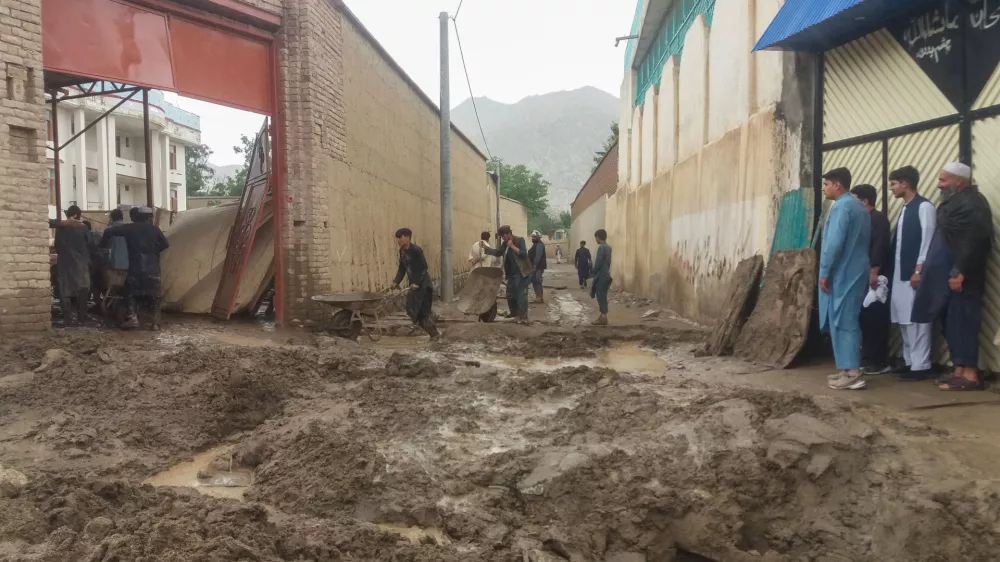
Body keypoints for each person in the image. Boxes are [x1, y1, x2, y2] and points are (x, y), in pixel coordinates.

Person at [912, 162, 994, 391]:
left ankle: (970, 375)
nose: (939, 185)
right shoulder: (955, 203)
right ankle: (959, 370)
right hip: (947, 277)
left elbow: (972, 243)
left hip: (962, 279)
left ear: (960, 182)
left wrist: (960, 272)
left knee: (964, 322)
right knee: (952, 322)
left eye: (943, 180)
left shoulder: (972, 204)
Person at [819, 168, 872, 391]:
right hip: (856, 269)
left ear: (837, 185)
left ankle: (852, 372)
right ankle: (847, 369)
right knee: (846, 318)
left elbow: (833, 244)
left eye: (826, 184)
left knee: (843, 321)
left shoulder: (841, 207)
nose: (824, 188)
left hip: (844, 272)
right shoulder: (859, 207)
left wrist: (824, 272)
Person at [887, 166, 936, 381]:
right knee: (904, 320)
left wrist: (919, 268)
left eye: (894, 184)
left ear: (905, 184)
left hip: (914, 273)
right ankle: (910, 361)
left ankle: (921, 365)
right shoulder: (906, 208)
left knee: (917, 320)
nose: (892, 189)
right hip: (900, 273)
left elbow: (928, 240)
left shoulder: (924, 206)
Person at [100, 206, 169, 330]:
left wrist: (103, 246)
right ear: (149, 217)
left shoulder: (129, 228)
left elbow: (108, 232)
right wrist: (153, 252)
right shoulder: (155, 229)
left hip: (136, 267)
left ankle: (132, 318)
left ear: (136, 217)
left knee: (130, 292)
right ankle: (155, 323)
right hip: (152, 268)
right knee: (155, 295)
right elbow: (165, 244)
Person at [849, 184, 892, 376]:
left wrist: (874, 271)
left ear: (865, 201)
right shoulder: (862, 219)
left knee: (875, 318)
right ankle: (867, 358)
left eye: (855, 199)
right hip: (862, 277)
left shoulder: (878, 219)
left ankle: (879, 361)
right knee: (865, 319)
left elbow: (879, 246)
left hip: (876, 278)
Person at [391, 228, 440, 339]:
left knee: (421, 312)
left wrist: (417, 282)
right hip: (414, 287)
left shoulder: (416, 250)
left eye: (400, 237)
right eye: (397, 238)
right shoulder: (402, 251)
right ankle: (432, 322)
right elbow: (402, 268)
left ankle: (435, 335)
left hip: (423, 285)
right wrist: (396, 281)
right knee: (411, 309)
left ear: (407, 238)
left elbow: (424, 268)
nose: (398, 240)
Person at [49, 205, 92, 325]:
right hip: (81, 263)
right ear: (77, 214)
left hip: (64, 262)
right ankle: (81, 316)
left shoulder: (61, 227)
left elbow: (57, 245)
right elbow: (90, 243)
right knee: (83, 289)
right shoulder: (83, 228)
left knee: (64, 289)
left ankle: (67, 317)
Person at [484, 225, 532, 323]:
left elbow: (523, 254)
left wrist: (512, 246)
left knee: (520, 295)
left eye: (503, 236)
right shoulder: (505, 244)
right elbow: (499, 252)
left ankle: (523, 317)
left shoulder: (519, 240)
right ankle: (514, 314)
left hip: (521, 272)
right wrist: (487, 250)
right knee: (510, 294)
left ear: (509, 234)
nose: (503, 238)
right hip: (512, 273)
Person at [591, 229, 613, 325]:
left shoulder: (601, 248)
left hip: (601, 275)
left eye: (595, 238)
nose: (595, 240)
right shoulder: (608, 247)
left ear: (598, 237)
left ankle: (603, 317)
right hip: (606, 273)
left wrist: (593, 272)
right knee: (602, 294)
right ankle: (603, 316)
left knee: (601, 295)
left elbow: (598, 262)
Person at [528, 230, 547, 303]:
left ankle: (539, 297)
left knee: (537, 281)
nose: (533, 238)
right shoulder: (536, 244)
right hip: (536, 267)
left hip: (538, 267)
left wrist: (534, 265)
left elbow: (538, 256)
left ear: (538, 237)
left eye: (535, 237)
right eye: (532, 237)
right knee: (535, 280)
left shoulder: (539, 244)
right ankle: (539, 297)